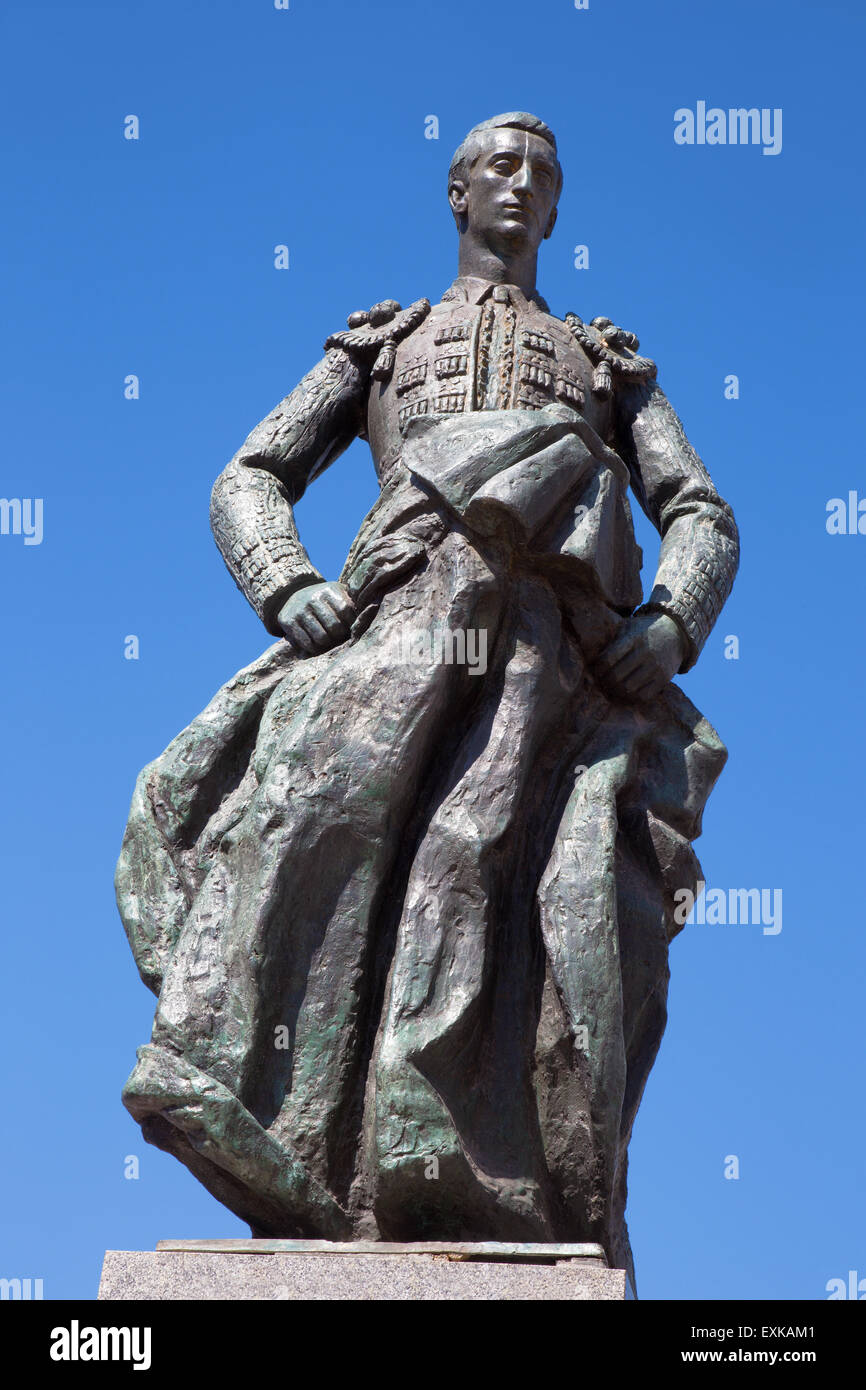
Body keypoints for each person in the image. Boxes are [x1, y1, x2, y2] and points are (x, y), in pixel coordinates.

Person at [117, 113, 739, 1285]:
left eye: (543, 175)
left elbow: (699, 511)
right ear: (455, 194)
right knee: (308, 812)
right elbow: (251, 472)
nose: (522, 184)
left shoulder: (606, 365)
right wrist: (283, 582)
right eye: (500, 167)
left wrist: (667, 625)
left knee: (476, 865)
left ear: (558, 211)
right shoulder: (381, 345)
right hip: (395, 625)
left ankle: (447, 1165)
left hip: (548, 663)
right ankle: (260, 1108)